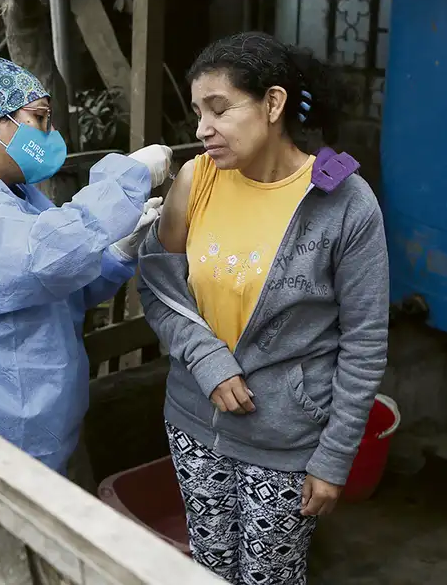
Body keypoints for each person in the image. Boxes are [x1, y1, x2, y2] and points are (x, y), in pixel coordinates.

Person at [138, 32, 389, 584]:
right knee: (209, 568)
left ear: (273, 104)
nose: (202, 128)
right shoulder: (195, 179)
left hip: (287, 440)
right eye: (199, 111)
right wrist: (206, 359)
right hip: (193, 422)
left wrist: (334, 458)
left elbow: (366, 342)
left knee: (268, 578)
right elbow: (158, 282)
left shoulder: (344, 203)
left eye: (219, 109)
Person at [0, 58, 172, 475]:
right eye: (40, 119)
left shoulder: (15, 195)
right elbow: (44, 257)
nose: (49, 133)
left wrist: (115, 255)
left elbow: (58, 286)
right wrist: (126, 177)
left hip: (33, 417)